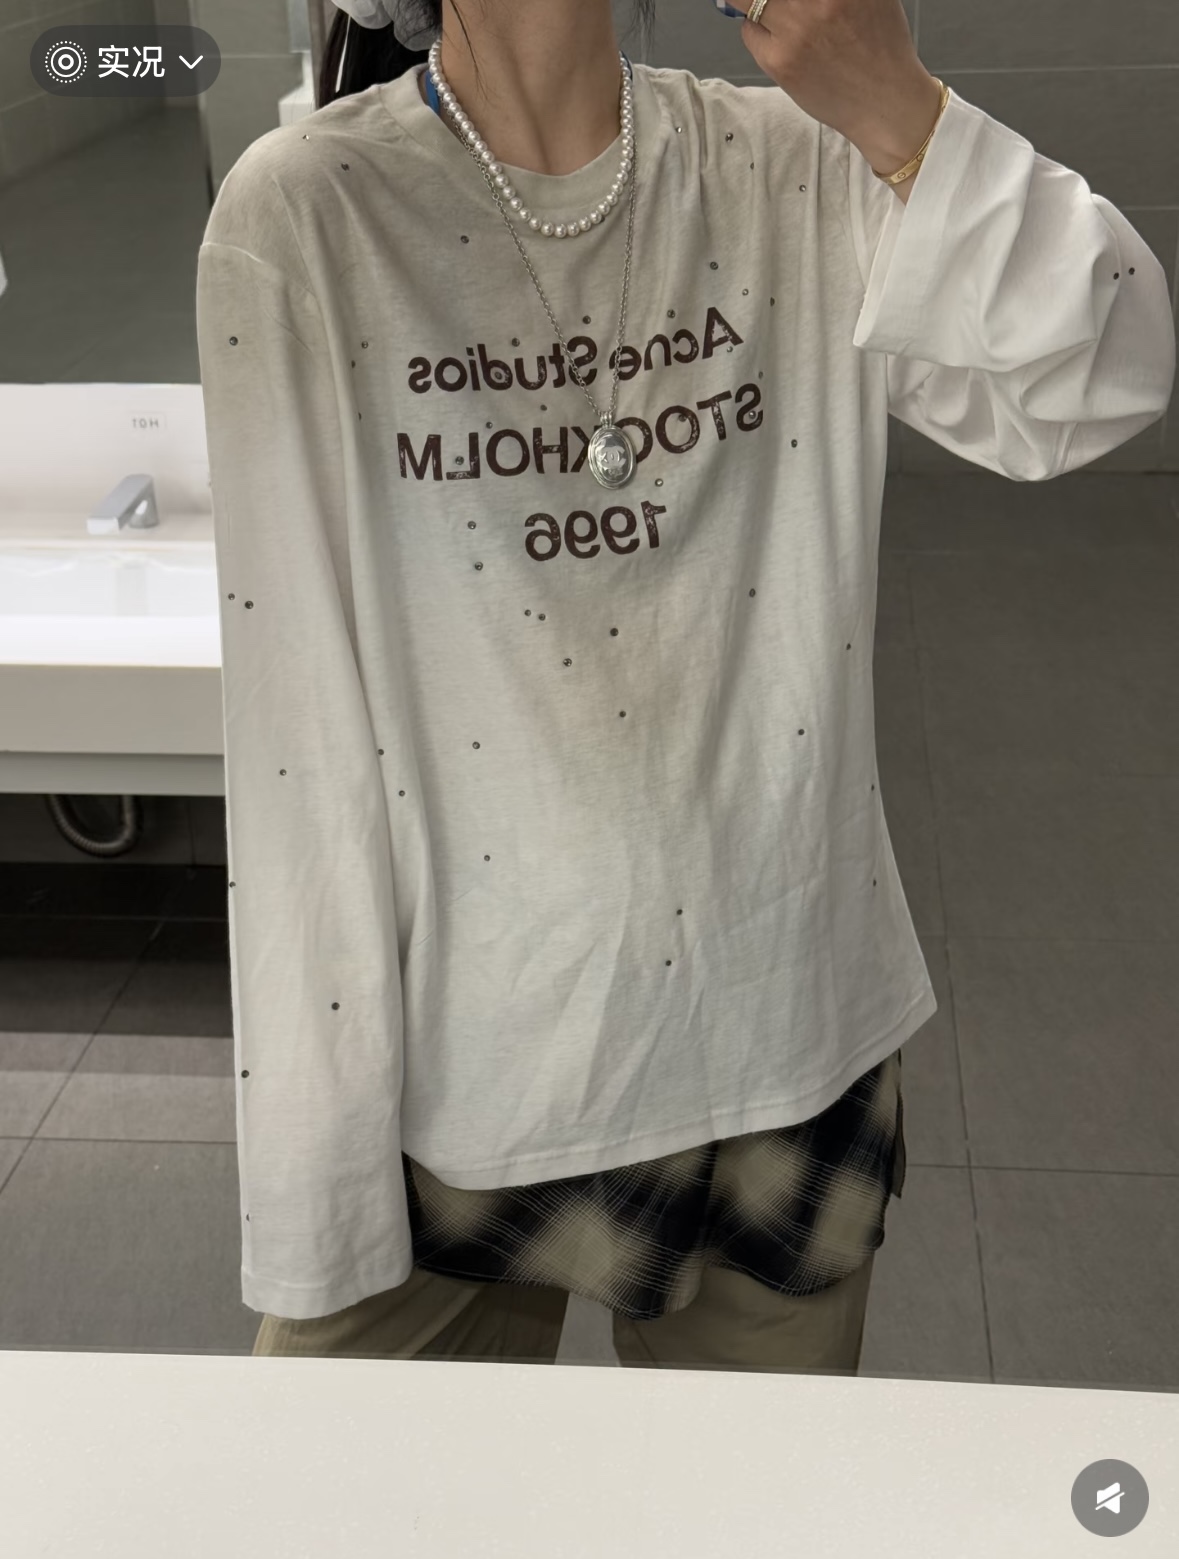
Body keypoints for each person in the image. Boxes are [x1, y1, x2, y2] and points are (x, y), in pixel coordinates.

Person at [193, 0, 1171, 1371]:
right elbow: (297, 745)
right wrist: (321, 1192)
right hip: (473, 1067)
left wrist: (893, 104)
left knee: (762, 1489)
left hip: (787, 1032)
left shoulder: (797, 162)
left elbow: (1100, 379)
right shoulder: (311, 208)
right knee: (356, 1476)